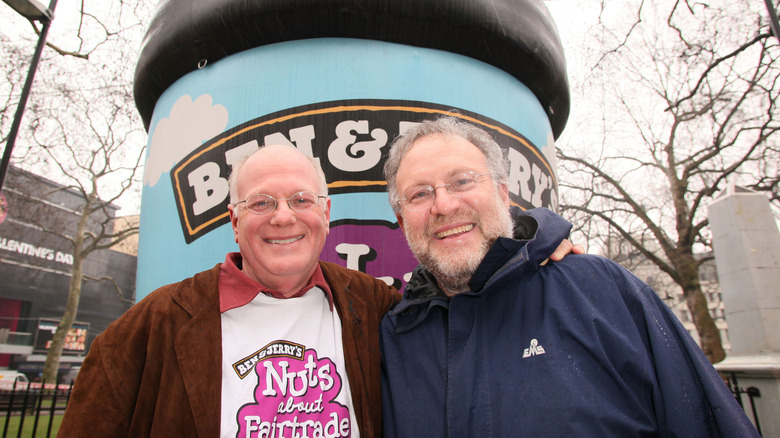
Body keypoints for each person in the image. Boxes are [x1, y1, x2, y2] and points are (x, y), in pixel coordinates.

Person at [58, 143, 580, 437]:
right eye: (261, 203)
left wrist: (539, 245)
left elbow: (465, 302)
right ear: (234, 223)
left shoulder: (372, 305)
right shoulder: (152, 325)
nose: (283, 217)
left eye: (301, 199)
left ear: (324, 214)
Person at [379, 116, 760, 437]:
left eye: (462, 181)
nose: (444, 205)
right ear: (401, 219)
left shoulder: (602, 292)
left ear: (502, 193)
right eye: (420, 194)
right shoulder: (392, 339)